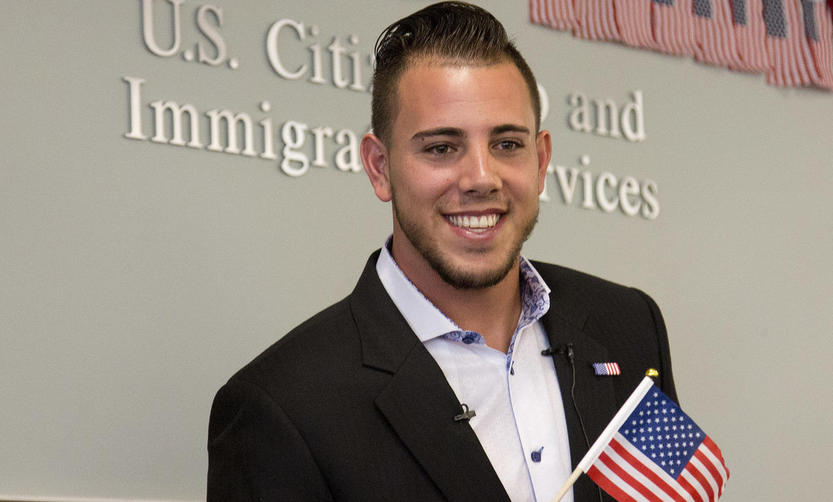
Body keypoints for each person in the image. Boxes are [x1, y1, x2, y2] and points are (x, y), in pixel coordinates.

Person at [207, 2, 676, 501]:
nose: (480, 178)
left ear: (541, 162)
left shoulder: (627, 325)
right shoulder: (283, 407)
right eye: (441, 148)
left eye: (507, 145)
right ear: (379, 167)